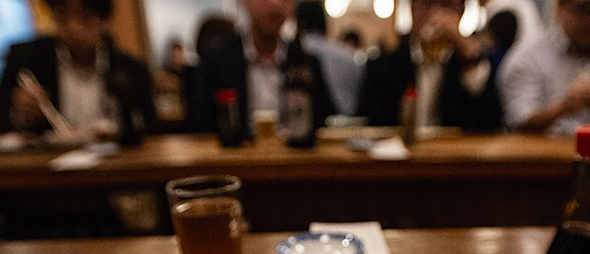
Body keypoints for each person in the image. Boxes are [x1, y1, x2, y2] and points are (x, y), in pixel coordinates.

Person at [0, 0, 156, 142]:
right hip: (48, 175)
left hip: (118, 172)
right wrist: (18, 114)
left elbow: (150, 130)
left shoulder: (133, 69)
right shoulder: (26, 59)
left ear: (104, 21)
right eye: (63, 15)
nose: (73, 26)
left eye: (86, 16)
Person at [499, 0, 590, 135]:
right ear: (559, 7)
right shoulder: (528, 56)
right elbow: (519, 124)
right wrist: (564, 108)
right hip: (543, 158)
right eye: (586, 7)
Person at [188, 0, 336, 136]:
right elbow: (200, 129)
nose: (276, 4)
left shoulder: (307, 63)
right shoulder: (215, 62)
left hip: (295, 161)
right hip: (234, 161)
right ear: (244, 3)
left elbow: (324, 122)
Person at [356, 0, 502, 131]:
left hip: (453, 157)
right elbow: (368, 126)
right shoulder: (383, 67)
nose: (435, 15)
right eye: (426, 4)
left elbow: (490, 124)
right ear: (412, 10)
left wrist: (470, 58)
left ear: (461, 13)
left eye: (446, 6)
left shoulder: (468, 65)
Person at [295, 1, 363, 116]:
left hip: (303, 125)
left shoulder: (294, 53)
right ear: (326, 25)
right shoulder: (349, 55)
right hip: (349, 127)